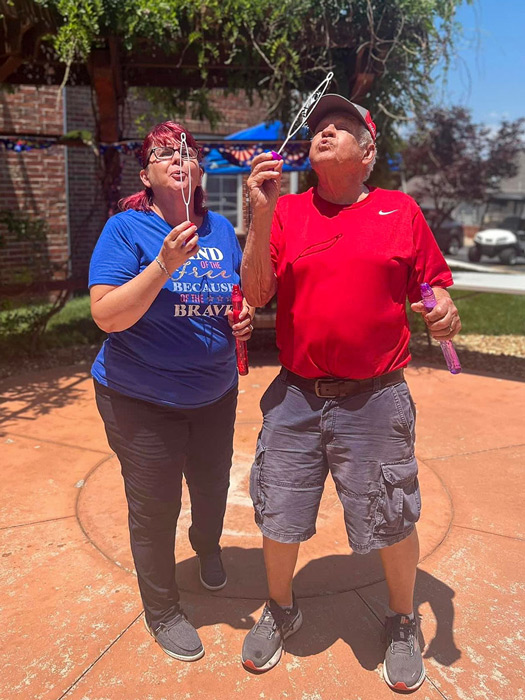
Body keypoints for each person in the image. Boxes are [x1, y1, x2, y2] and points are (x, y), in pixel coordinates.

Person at [240, 95, 461, 691]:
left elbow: (433, 287)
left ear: (368, 152)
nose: (323, 132)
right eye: (318, 127)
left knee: (392, 512)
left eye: (341, 127)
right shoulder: (285, 211)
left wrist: (442, 312)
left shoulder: (400, 210)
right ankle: (281, 609)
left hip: (375, 398)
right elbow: (256, 292)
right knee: (279, 511)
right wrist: (260, 216)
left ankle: (402, 620)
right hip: (296, 396)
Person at [89, 121, 252, 662]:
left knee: (210, 488)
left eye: (188, 152)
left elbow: (229, 296)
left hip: (214, 393)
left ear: (198, 171)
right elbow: (107, 316)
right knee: (155, 506)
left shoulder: (222, 230)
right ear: (148, 175)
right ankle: (161, 611)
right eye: (165, 154)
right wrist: (162, 265)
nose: (180, 158)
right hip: (139, 397)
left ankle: (206, 548)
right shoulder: (126, 229)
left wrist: (240, 317)